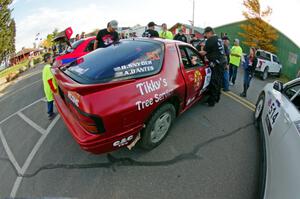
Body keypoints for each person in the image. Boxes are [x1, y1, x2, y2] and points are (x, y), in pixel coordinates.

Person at [200, 27, 226, 107]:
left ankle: (211, 102)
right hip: (222, 62)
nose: (205, 35)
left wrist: (197, 52)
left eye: (206, 34)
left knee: (214, 82)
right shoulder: (219, 39)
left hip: (216, 64)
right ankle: (217, 98)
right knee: (219, 81)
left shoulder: (210, 40)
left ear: (210, 32)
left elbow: (204, 52)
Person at [42, 53, 57, 120]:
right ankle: (50, 114)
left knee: (49, 100)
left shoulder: (45, 67)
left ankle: (50, 112)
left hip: (47, 88)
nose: (52, 59)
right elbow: (50, 80)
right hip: (50, 88)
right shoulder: (48, 68)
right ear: (48, 59)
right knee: (51, 101)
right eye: (51, 58)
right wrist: (54, 89)